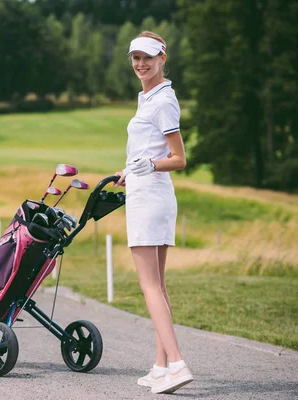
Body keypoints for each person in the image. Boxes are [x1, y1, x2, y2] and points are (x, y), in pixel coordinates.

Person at [114, 31, 193, 394]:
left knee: (148, 286)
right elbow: (146, 149)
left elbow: (178, 158)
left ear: (163, 58)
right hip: (148, 191)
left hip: (151, 198)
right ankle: (161, 368)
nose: (140, 64)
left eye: (147, 57)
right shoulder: (148, 97)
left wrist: (147, 166)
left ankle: (176, 363)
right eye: (135, 58)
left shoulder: (163, 101)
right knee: (158, 287)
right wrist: (130, 170)